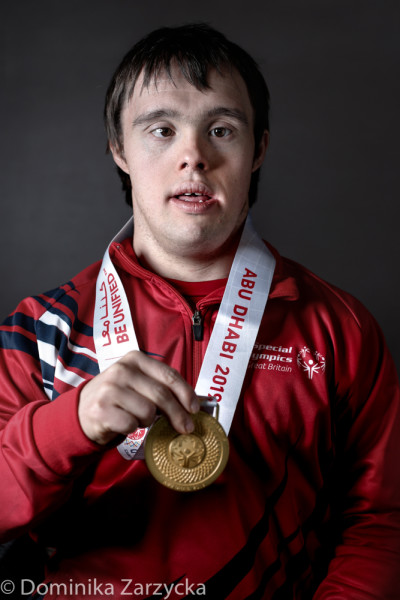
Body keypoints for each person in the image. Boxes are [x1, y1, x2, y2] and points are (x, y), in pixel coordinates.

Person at [0, 23, 399, 600]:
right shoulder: (39, 328)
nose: (194, 156)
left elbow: (379, 521)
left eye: (221, 129)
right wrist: (75, 422)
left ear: (258, 148)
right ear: (119, 148)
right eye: (161, 130)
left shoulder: (340, 329)